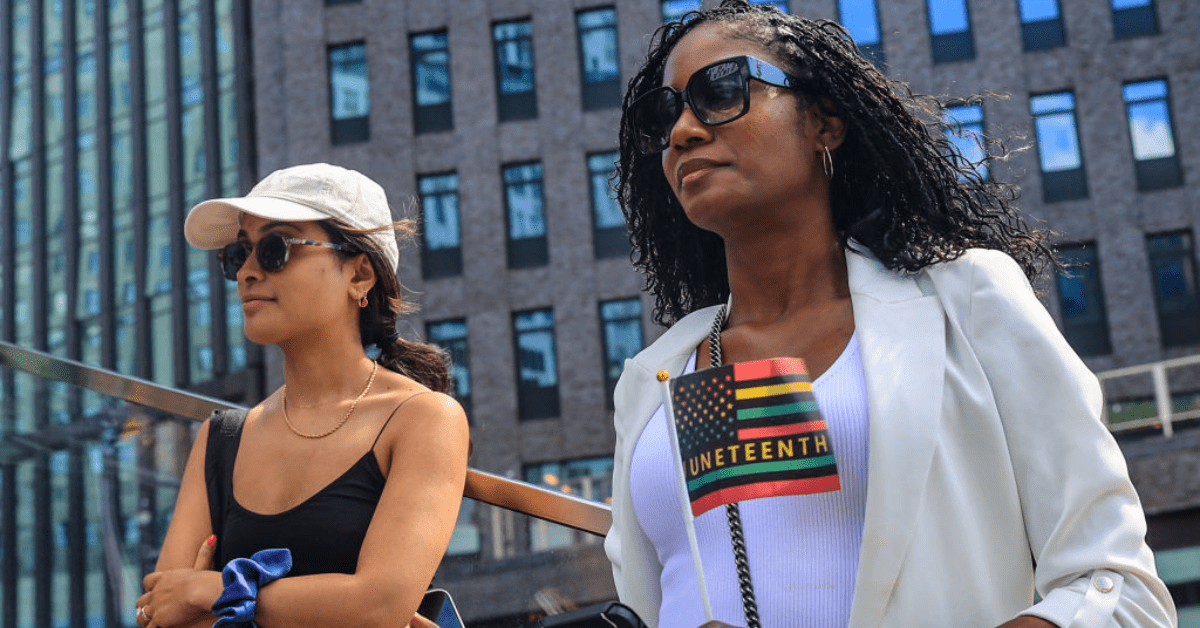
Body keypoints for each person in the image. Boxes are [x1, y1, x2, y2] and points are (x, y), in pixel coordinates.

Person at [603, 2, 1176, 628]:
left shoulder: (966, 302)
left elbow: (1119, 591)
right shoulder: (653, 380)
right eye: (664, 115)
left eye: (720, 91)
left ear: (824, 122)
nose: (683, 130)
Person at [134, 163, 470, 628]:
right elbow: (160, 611)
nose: (247, 273)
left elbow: (379, 606)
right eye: (238, 254)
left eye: (275, 249)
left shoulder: (423, 418)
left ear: (360, 275)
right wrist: (330, 605)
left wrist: (211, 589)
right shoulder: (220, 440)